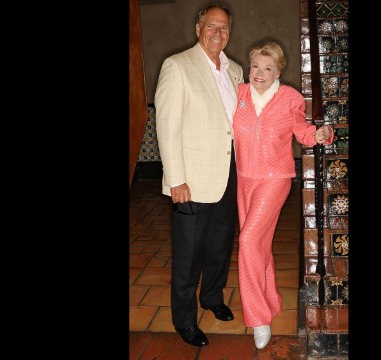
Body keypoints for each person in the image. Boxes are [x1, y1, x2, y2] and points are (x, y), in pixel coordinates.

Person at [232, 41, 333, 349]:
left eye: (267, 68)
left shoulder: (289, 98)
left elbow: (301, 131)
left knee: (248, 240)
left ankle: (259, 317)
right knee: (258, 244)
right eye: (255, 67)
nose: (259, 73)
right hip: (243, 179)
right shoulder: (240, 94)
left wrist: (318, 135)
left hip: (275, 179)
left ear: (278, 70)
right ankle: (272, 299)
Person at [154, 3, 244, 348]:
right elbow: (167, 126)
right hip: (190, 181)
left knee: (220, 247)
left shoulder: (234, 70)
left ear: (229, 33)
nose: (218, 33)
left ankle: (212, 297)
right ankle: (185, 320)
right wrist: (176, 178)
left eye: (224, 28)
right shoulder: (177, 66)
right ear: (198, 28)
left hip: (228, 174)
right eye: (211, 26)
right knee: (189, 256)